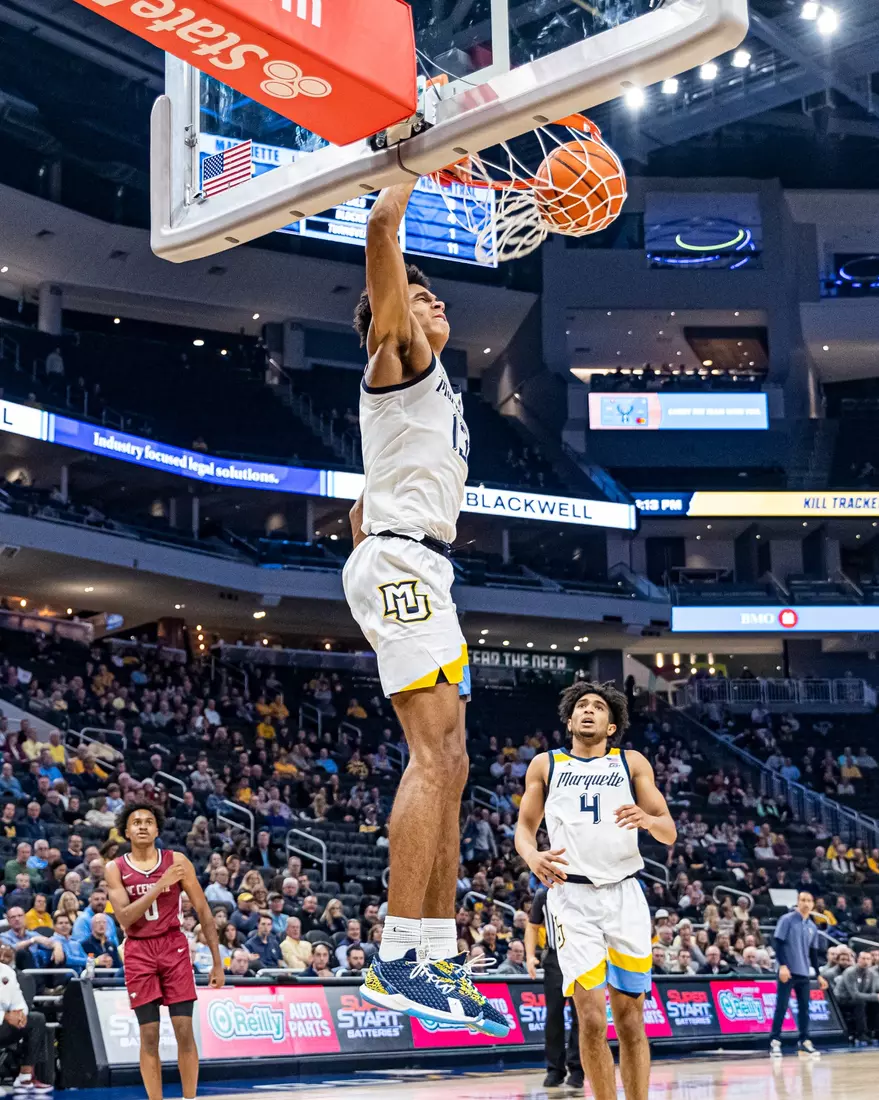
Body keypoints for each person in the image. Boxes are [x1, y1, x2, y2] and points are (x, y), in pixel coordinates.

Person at [344, 182, 506, 1036]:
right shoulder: (398, 359)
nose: (430, 296)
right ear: (387, 318)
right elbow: (378, 226)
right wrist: (412, 160)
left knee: (455, 763)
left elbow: (356, 513)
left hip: (417, 564)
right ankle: (397, 957)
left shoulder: (434, 389)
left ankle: (433, 954)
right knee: (434, 760)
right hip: (406, 559)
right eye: (415, 290)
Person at [515, 681, 676, 1100]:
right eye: (581, 706)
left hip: (624, 895)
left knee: (631, 1017)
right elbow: (524, 829)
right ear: (569, 720)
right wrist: (532, 857)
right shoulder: (545, 765)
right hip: (572, 899)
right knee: (589, 1018)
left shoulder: (631, 763)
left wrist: (647, 819)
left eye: (599, 707)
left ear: (611, 725)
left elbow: (669, 831)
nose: (589, 711)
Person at [104, 802, 224, 1100]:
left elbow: (204, 912)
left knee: (184, 1030)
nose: (142, 825)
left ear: (157, 829)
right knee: (149, 1035)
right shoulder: (114, 868)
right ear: (126, 831)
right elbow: (125, 918)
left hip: (173, 945)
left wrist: (218, 963)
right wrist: (160, 884)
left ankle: (189, 1098)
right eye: (136, 822)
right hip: (139, 949)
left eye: (148, 821)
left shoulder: (177, 860)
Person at [769, 892, 828, 1058]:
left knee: (804, 1009)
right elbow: (777, 943)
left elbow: (813, 953)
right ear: (797, 902)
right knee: (781, 1007)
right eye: (803, 900)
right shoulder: (787, 919)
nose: (806, 903)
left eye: (809, 900)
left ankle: (804, 1041)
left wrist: (818, 974)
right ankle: (775, 1041)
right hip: (787, 972)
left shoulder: (812, 926)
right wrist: (782, 966)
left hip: (803, 972)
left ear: (813, 904)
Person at [0, 958, 53, 1091]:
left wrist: (20, 1015)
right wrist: (5, 1016)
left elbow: (18, 999)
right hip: (3, 1019)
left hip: (4, 1026)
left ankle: (25, 1077)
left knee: (37, 1019)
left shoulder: (7, 971)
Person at [835, 950, 879, 1043]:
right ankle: (861, 1033)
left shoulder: (872, 974)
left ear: (871, 961)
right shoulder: (850, 972)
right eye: (863, 958)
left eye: (868, 959)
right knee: (860, 1003)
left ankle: (874, 1031)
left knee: (875, 1004)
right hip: (843, 999)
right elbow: (854, 995)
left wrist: (875, 998)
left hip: (860, 998)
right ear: (858, 959)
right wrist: (875, 997)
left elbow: (871, 992)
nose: (865, 961)